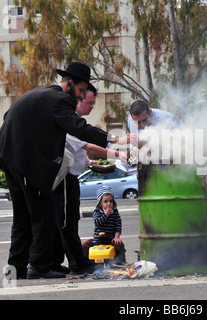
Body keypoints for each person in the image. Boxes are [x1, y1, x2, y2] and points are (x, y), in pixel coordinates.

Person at [0, 62, 122, 280]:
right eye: (80, 91)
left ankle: (18, 268)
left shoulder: (41, 94)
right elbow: (78, 128)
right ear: (69, 83)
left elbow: (9, 116)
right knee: (42, 213)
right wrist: (114, 139)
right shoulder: (60, 99)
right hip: (22, 162)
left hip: (10, 158)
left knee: (22, 217)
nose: (79, 98)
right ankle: (39, 266)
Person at [52, 88, 130, 275]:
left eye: (94, 103)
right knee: (65, 222)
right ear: (77, 100)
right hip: (63, 178)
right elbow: (88, 144)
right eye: (88, 102)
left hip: (71, 177)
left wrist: (87, 162)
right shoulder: (69, 122)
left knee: (70, 220)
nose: (91, 107)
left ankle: (68, 262)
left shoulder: (76, 123)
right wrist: (117, 152)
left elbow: (75, 150)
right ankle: (75, 264)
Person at [82, 186, 126, 266]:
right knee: (85, 245)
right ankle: (87, 263)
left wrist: (116, 237)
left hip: (110, 239)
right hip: (98, 239)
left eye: (111, 201)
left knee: (119, 245)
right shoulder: (97, 212)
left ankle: (120, 262)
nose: (109, 204)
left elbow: (118, 225)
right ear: (100, 203)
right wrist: (106, 214)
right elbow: (98, 223)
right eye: (105, 201)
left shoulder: (115, 212)